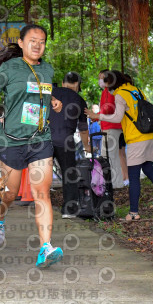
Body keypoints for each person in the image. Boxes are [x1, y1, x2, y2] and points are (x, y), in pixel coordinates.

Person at [0, 24, 64, 268]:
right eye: (32, 40)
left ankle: (45, 247)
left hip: (40, 139)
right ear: (21, 43)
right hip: (13, 141)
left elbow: (41, 93)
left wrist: (54, 101)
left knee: (42, 193)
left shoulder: (48, 69)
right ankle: (0, 219)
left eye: (42, 41)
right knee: (9, 195)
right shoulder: (10, 68)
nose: (37, 44)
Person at [86, 70, 153, 221]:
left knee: (133, 176)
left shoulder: (120, 94)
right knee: (148, 169)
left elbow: (117, 117)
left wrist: (98, 116)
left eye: (107, 82)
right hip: (150, 135)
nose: (106, 86)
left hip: (136, 137)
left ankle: (133, 213)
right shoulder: (137, 90)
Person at [49, 72, 90, 218]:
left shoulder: (50, 91)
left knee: (41, 174)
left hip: (43, 139)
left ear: (62, 81)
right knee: (69, 173)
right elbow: (83, 129)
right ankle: (69, 209)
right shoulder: (79, 100)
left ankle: (41, 206)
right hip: (65, 140)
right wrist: (87, 147)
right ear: (78, 85)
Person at [97, 70, 124, 187]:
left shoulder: (109, 91)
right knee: (113, 156)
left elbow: (108, 108)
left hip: (111, 126)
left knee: (108, 156)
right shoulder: (107, 91)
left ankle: (113, 184)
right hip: (109, 126)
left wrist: (97, 115)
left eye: (102, 78)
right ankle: (117, 183)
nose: (100, 81)